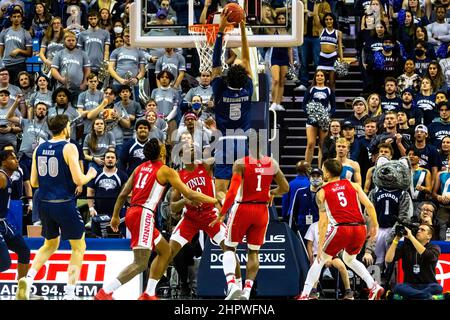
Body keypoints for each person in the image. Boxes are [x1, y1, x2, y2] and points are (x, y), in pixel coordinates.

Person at [95, 138, 220, 300]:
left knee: (165, 250)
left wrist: (115, 216)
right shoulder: (166, 170)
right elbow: (189, 194)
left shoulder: (140, 167)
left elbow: (123, 194)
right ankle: (106, 292)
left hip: (134, 213)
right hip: (143, 214)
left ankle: (149, 293)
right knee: (140, 262)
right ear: (161, 152)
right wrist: (214, 200)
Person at [16, 114, 98, 300]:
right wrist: (91, 174)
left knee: (50, 244)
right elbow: (79, 180)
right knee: (78, 247)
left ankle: (27, 281)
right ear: (65, 128)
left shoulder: (40, 148)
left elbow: (35, 181)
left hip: (43, 203)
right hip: (63, 203)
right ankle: (70, 294)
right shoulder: (68, 147)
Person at [209, 137, 290, 300]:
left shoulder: (241, 163)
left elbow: (231, 192)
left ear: (247, 145)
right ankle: (246, 291)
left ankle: (232, 285)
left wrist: (223, 212)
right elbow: (285, 187)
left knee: (230, 247)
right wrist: (272, 193)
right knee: (254, 251)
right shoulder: (272, 164)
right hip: (261, 211)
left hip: (243, 209)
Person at [297, 159, 384, 300]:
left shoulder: (322, 191)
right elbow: (369, 205)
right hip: (360, 227)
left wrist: (319, 247)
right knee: (349, 259)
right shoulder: (353, 185)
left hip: (342, 228)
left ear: (326, 172)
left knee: (319, 260)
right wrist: (375, 224)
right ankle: (373, 285)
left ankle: (305, 294)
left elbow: (323, 222)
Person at [169, 134, 240, 297]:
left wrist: (199, 149)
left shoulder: (205, 167)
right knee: (169, 252)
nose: (192, 148)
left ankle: (234, 286)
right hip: (190, 218)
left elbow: (215, 156)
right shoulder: (178, 176)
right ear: (181, 155)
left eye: (194, 147)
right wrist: (184, 200)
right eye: (187, 147)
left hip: (210, 214)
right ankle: (156, 288)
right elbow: (173, 207)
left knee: (228, 247)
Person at [210, 9, 253, 201]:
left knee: (219, 190)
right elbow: (246, 58)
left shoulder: (220, 89)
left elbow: (216, 62)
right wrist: (242, 28)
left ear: (227, 79)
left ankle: (222, 222)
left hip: (224, 142)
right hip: (243, 142)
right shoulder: (248, 88)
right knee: (241, 192)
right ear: (245, 78)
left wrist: (220, 31)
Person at [385, 223, 442, 300]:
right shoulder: (406, 246)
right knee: (398, 287)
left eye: (422, 230)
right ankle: (427, 297)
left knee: (437, 287)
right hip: (409, 285)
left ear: (429, 236)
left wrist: (411, 237)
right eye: (418, 229)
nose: (419, 231)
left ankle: (410, 297)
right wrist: (396, 239)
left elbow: (427, 255)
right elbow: (388, 259)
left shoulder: (434, 248)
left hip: (428, 284)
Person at [0, 150, 30, 285]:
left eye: (16, 158)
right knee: (4, 264)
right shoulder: (1, 177)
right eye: (12, 158)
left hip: (3, 223)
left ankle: (21, 289)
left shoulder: (8, 177)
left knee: (23, 250)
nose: (16, 161)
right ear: (3, 162)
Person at [303, 70, 336, 165]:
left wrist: (327, 115)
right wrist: (310, 114)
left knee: (322, 145)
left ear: (325, 78)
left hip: (324, 121)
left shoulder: (328, 90)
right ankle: (306, 167)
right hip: (311, 121)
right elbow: (304, 105)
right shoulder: (311, 89)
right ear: (315, 77)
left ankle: (321, 168)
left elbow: (333, 106)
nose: (320, 77)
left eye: (321, 75)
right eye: (317, 75)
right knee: (310, 144)